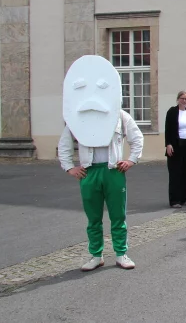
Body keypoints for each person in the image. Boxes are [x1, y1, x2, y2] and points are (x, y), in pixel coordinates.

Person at [58, 110, 144, 271]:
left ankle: (121, 253)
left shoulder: (120, 115)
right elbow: (64, 144)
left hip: (114, 170)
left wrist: (131, 160)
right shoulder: (78, 116)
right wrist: (69, 168)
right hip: (89, 171)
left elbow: (137, 138)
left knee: (118, 215)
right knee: (93, 217)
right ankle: (96, 255)